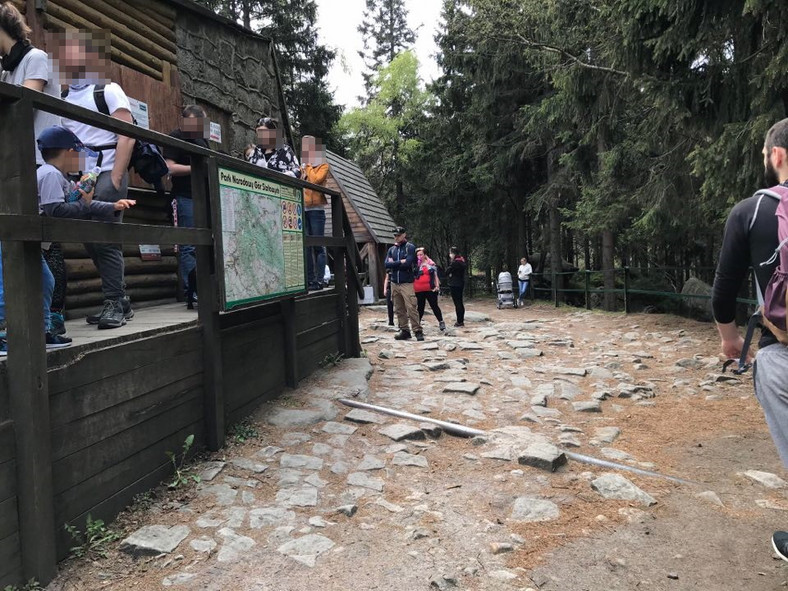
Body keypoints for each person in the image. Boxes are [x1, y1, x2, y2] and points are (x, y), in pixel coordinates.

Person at [711, 118, 788, 561]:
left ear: (776, 155)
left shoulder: (752, 211)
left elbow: (723, 293)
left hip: (782, 353)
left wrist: (731, 341)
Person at [60, 30, 135, 329]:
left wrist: (116, 176)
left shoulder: (107, 89)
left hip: (106, 171)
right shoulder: (64, 95)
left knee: (104, 237)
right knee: (90, 238)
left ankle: (114, 302)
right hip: (81, 177)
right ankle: (121, 300)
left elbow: (127, 133)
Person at [0, 1, 65, 334]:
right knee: (25, 253)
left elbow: (20, 111)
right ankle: (38, 326)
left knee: (23, 249)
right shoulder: (6, 69)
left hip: (36, 170)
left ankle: (20, 328)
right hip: (13, 170)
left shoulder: (34, 59)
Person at [163, 105, 209, 307]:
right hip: (184, 196)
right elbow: (169, 167)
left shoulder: (203, 140)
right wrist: (196, 169)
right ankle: (192, 291)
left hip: (204, 198)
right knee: (189, 245)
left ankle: (205, 287)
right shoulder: (177, 136)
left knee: (205, 244)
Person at [301, 135, 329, 290]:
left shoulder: (323, 164)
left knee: (318, 246)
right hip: (303, 208)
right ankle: (310, 280)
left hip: (317, 210)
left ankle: (319, 280)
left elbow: (315, 180)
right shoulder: (303, 164)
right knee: (306, 246)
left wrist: (308, 166)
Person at [385, 226, 422, 341]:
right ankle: (404, 330)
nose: (396, 237)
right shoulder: (391, 249)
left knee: (411, 307)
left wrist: (395, 263)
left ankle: (417, 330)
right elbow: (386, 264)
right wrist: (400, 261)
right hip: (395, 282)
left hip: (406, 282)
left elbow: (408, 263)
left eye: (399, 235)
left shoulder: (410, 247)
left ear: (404, 235)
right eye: (395, 235)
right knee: (399, 308)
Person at [414, 247, 445, 331]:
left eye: (421, 254)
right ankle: (417, 324)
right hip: (418, 289)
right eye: (418, 255)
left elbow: (435, 275)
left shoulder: (430, 264)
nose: (419, 256)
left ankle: (441, 321)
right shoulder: (415, 264)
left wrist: (437, 286)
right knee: (420, 307)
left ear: (425, 255)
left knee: (434, 305)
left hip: (430, 288)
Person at [447, 246, 467, 327]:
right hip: (461, 283)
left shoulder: (455, 262)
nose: (450, 255)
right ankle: (461, 320)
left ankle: (459, 321)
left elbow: (447, 271)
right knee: (460, 302)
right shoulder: (462, 260)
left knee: (457, 303)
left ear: (454, 253)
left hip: (454, 284)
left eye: (451, 253)